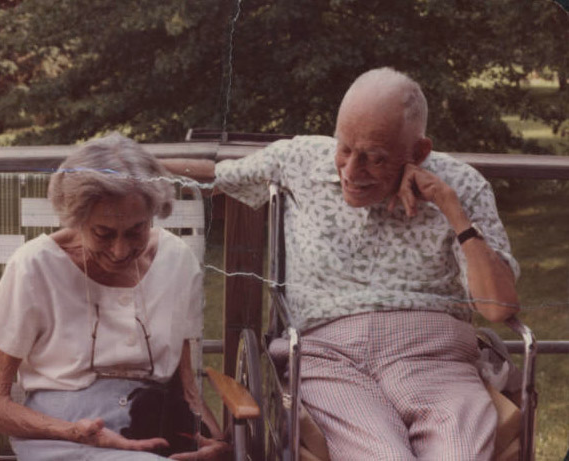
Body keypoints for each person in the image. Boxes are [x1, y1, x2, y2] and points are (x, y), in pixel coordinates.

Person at [164, 67, 520, 460]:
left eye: (375, 158)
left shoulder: (462, 186)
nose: (351, 171)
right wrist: (114, 165)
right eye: (345, 148)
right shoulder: (301, 159)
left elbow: (498, 308)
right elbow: (211, 177)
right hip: (330, 358)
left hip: (435, 358)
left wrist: (452, 210)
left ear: (418, 153)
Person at [0, 133, 228, 460]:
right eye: (103, 233)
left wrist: (216, 445)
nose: (120, 250)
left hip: (150, 425)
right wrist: (74, 432)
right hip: (64, 433)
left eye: (136, 230)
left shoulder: (177, 261)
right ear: (76, 219)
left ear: (153, 213)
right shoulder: (34, 267)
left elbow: (188, 391)